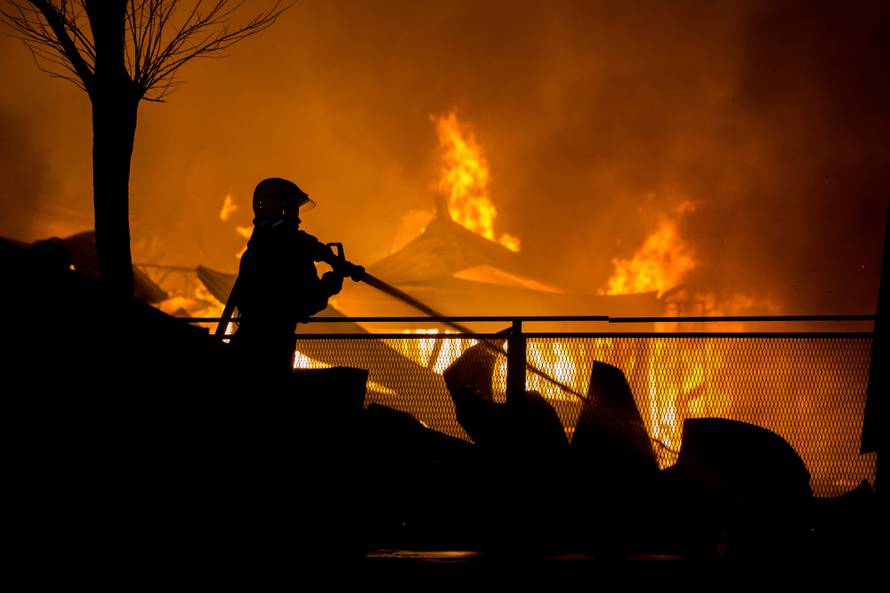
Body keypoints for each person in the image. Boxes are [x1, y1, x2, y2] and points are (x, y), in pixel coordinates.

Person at [228, 177, 344, 377]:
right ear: (281, 209)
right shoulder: (291, 251)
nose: (298, 219)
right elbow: (306, 302)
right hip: (273, 349)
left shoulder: (256, 249)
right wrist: (330, 284)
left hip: (246, 343)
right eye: (293, 210)